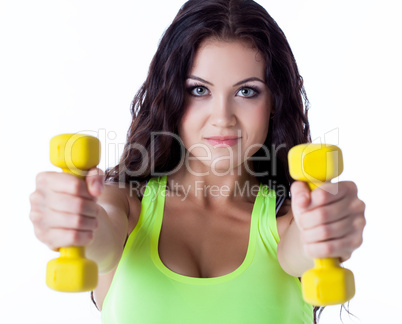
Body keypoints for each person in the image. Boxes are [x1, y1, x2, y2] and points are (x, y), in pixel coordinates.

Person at [29, 0, 366, 323]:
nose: (223, 117)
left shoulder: (290, 222)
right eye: (199, 90)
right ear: (171, 95)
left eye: (246, 91)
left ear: (274, 101)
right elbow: (99, 236)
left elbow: (303, 248)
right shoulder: (124, 207)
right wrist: (74, 219)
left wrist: (325, 230)